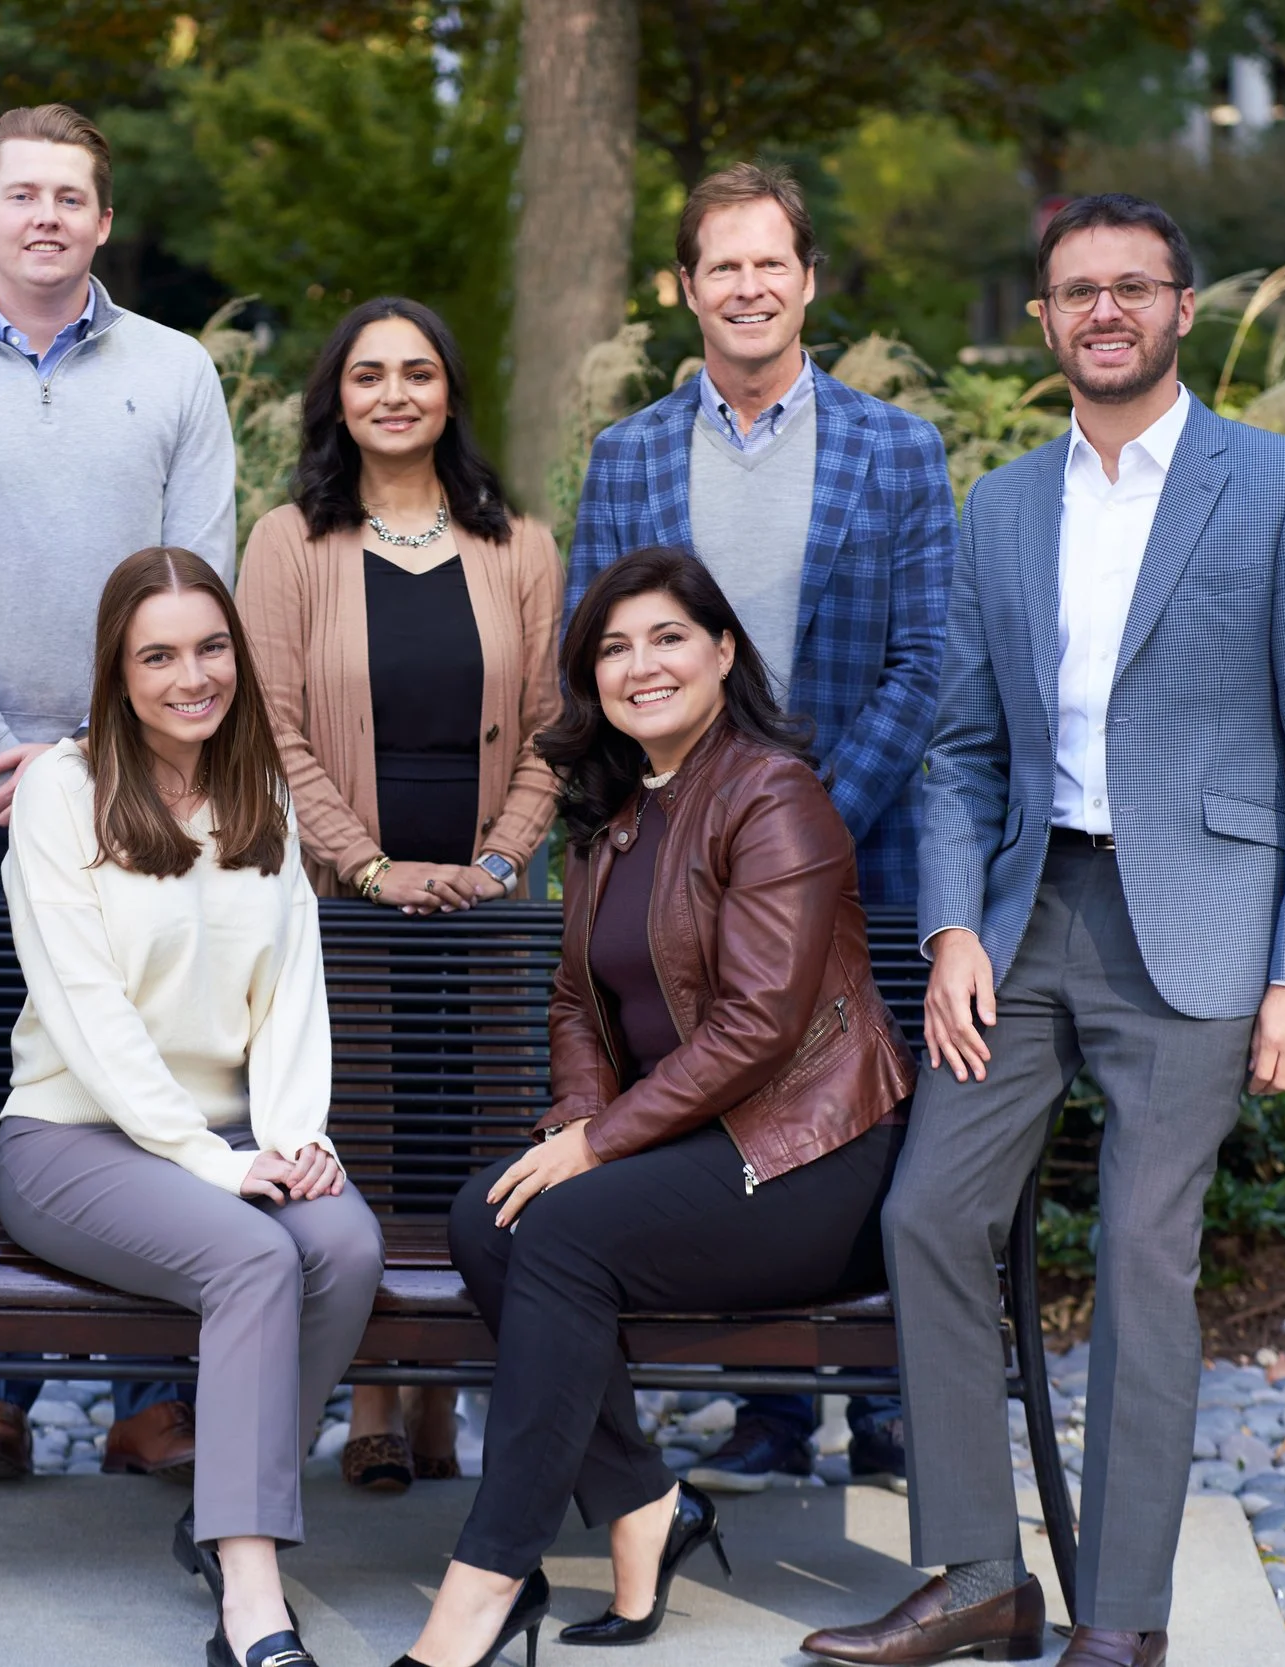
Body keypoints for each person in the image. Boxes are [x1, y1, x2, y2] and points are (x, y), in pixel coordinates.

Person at [802, 194, 1285, 1667]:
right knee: (927, 1212)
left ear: (1184, 308)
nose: (1104, 311)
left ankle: (1120, 1614)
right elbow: (960, 750)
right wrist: (949, 931)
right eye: (1076, 291)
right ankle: (978, 1572)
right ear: (1043, 322)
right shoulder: (1002, 506)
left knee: (1140, 1248)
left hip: (1199, 924)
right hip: (1023, 911)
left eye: (1133, 286)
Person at [395, 549, 915, 1667]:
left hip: (813, 1154)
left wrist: (598, 1142)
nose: (642, 666)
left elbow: (759, 1025)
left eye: (668, 637)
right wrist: (576, 1121)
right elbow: (577, 1001)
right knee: (489, 1213)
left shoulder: (774, 794)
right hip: (697, 1143)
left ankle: (485, 1582)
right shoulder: (615, 813)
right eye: (615, 647)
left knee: (565, 1228)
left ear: (724, 651)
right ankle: (643, 1505)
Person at [0, 100, 234, 1480]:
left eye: (73, 195)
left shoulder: (179, 372)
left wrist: (102, 757)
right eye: (23, 194)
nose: (48, 216)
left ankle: (147, 1397)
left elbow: (200, 580)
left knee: (149, 1078)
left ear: (105, 221)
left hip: (139, 781)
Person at [570, 161, 954, 1494]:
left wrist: (800, 832)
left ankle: (891, 1402)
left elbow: (925, 659)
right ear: (687, 288)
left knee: (864, 1122)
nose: (746, 286)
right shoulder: (627, 458)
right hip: (684, 872)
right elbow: (598, 659)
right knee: (740, 1112)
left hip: (868, 846)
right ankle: (770, 1406)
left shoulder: (896, 448)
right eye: (718, 265)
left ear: (808, 280)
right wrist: (700, 850)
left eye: (768, 262)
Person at [0, 546, 383, 1667]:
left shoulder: (259, 788)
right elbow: (85, 1011)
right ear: (117, 673)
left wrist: (294, 1137)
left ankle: (223, 1496)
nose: (191, 675)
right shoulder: (63, 793)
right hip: (75, 1135)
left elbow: (293, 986)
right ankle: (250, 1590)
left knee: (345, 1245)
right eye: (157, 654)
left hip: (231, 1135)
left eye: (210, 647)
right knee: (257, 1258)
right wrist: (212, 1163)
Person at [236, 295, 562, 1491]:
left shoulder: (518, 539)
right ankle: (376, 1392)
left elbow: (552, 727)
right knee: (363, 1130)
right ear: (336, 397)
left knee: (471, 1135)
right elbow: (267, 730)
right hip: (344, 895)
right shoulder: (287, 540)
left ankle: (442, 1399)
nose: (392, 393)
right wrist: (367, 866)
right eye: (367, 373)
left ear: (448, 393)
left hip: (480, 899)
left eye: (417, 371)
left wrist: (495, 862)